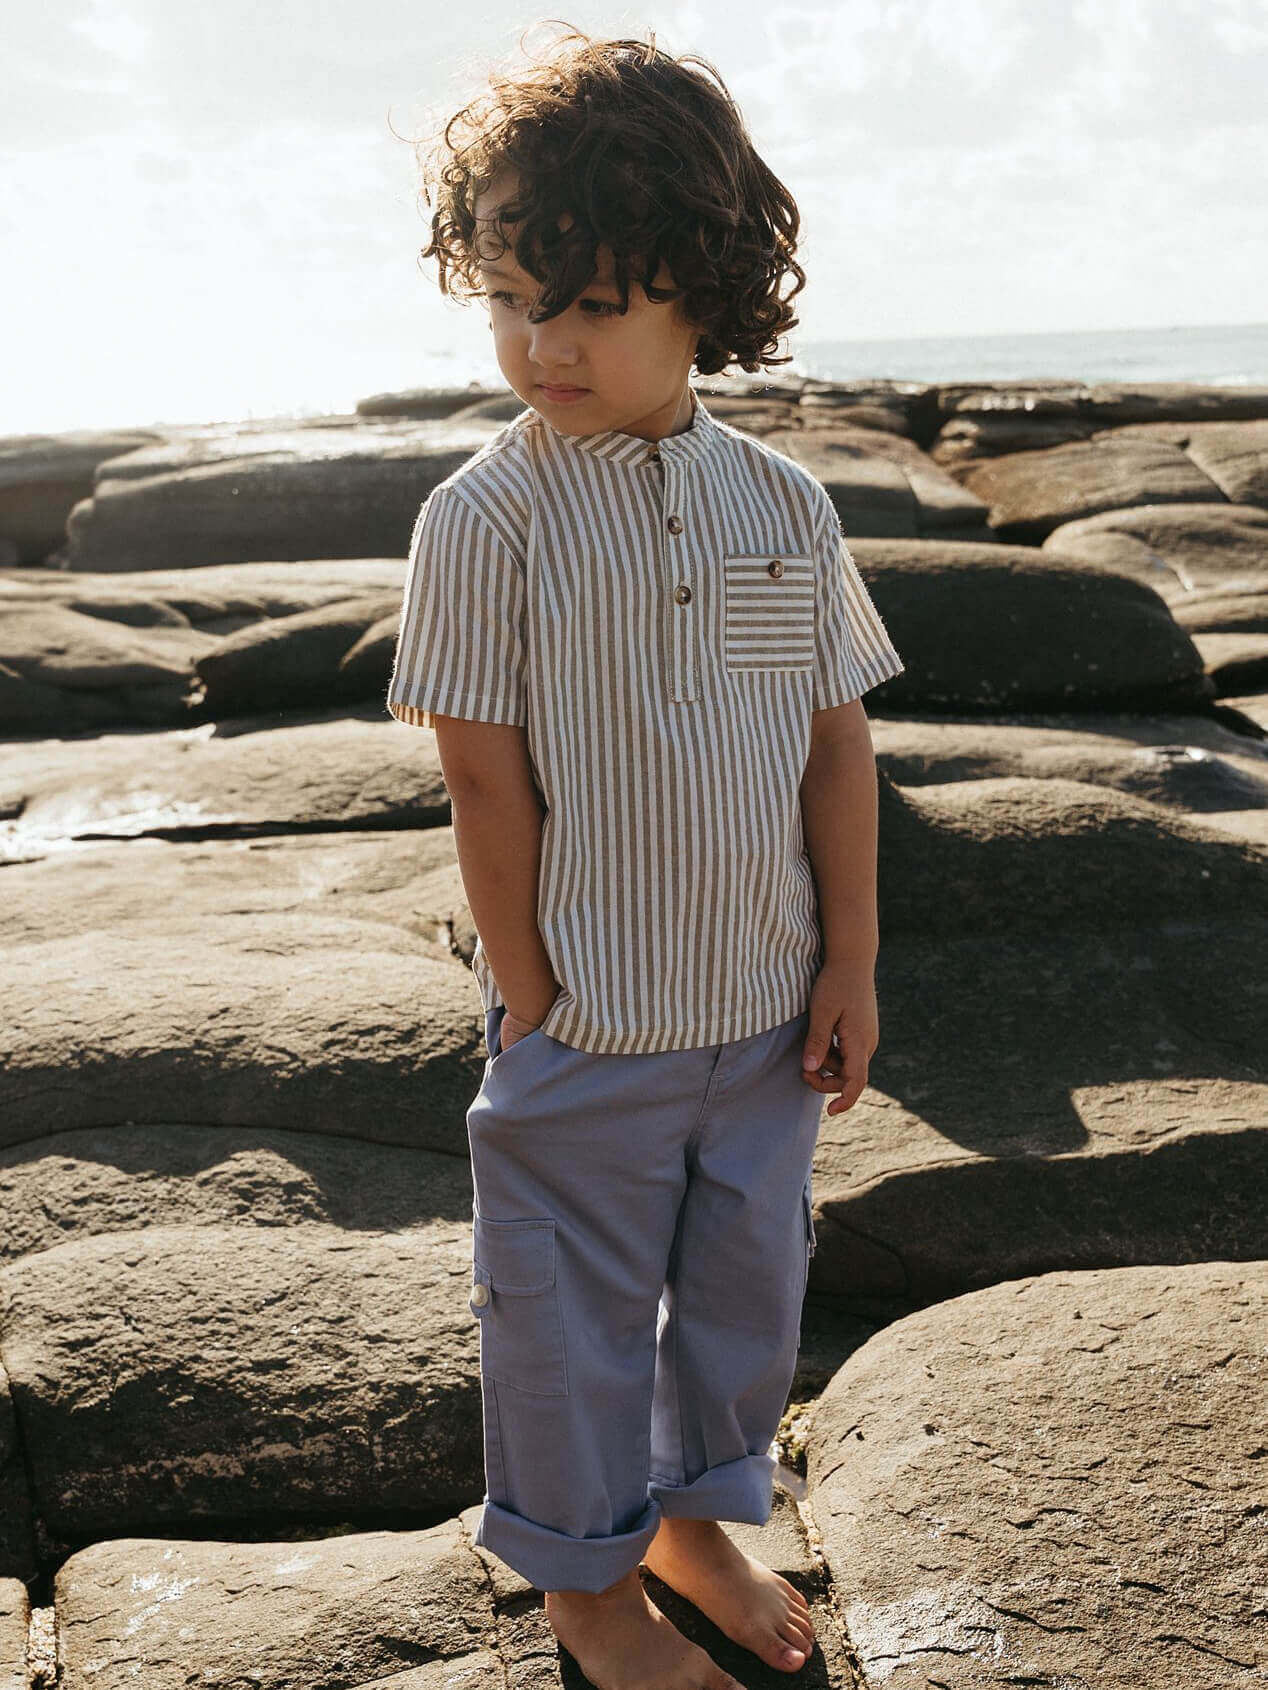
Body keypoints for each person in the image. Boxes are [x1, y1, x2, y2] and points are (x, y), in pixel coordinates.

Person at [387, 24, 905, 1690]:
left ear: (704, 287)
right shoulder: (488, 518)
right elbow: (482, 775)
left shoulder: (778, 507)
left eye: (591, 305)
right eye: (512, 300)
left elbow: (828, 737)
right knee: (563, 1316)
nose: (542, 342)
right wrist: (533, 991)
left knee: (743, 1291)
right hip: (586, 1023)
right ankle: (582, 1583)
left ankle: (693, 1513)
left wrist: (850, 960)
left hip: (763, 1014)